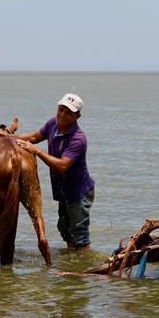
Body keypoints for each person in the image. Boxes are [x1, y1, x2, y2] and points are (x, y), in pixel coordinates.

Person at [13, 93, 95, 249]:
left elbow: (63, 166)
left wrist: (36, 151)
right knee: (65, 230)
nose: (62, 114)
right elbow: (35, 136)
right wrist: (11, 138)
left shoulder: (78, 139)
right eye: (61, 109)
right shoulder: (53, 124)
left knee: (80, 234)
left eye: (68, 112)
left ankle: (84, 269)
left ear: (77, 116)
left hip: (79, 192)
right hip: (63, 190)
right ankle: (72, 266)